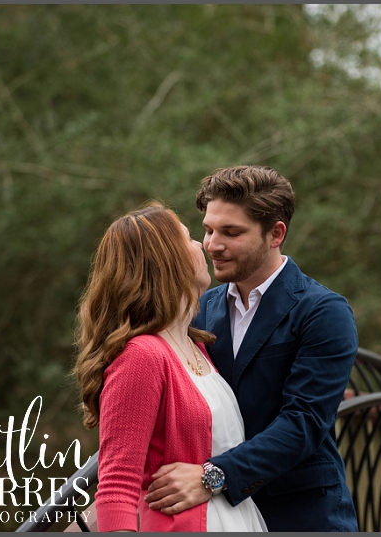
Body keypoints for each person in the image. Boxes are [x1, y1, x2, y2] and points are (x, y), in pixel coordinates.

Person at [143, 166, 359, 531]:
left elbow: (303, 422)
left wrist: (212, 476)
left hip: (301, 514)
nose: (212, 244)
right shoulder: (201, 308)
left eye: (231, 232)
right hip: (215, 518)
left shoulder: (323, 311)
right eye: (209, 229)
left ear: (275, 234)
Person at [73, 202, 267, 532]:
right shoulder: (141, 356)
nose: (202, 246)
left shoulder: (197, 345)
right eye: (189, 237)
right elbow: (117, 484)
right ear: (166, 260)